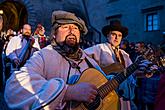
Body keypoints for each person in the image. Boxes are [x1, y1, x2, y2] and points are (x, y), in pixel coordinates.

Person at [4, 11, 151, 110]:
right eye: (65, 27)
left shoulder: (88, 61)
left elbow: (105, 84)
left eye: (75, 28)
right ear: (54, 34)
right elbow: (13, 88)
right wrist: (68, 91)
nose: (71, 31)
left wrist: (135, 72)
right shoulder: (44, 55)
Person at [84, 20, 142, 110]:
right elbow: (82, 57)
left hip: (121, 95)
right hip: (104, 94)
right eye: (113, 34)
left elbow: (132, 72)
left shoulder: (124, 54)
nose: (116, 38)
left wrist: (144, 70)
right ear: (107, 35)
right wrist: (96, 75)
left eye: (119, 35)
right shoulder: (99, 48)